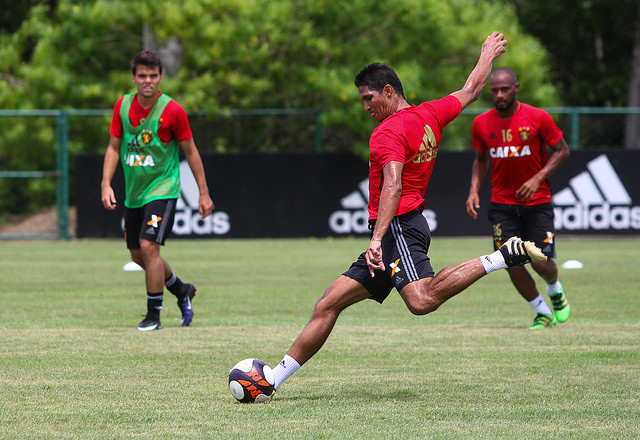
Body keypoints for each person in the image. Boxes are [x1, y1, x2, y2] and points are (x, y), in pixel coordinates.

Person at [269, 32, 544, 393]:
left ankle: (501, 257)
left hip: (397, 228)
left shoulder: (386, 133)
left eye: (368, 98)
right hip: (401, 227)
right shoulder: (430, 112)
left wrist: (378, 239)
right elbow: (472, 89)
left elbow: (393, 186)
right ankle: (272, 379)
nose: (365, 106)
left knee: (421, 299)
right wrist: (486, 54)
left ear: (388, 91)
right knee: (328, 303)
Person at [101, 50, 213, 331]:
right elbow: (114, 147)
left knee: (150, 247)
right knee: (138, 255)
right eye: (142, 76)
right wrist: (106, 183)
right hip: (134, 193)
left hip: (162, 189)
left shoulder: (172, 110)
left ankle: (153, 315)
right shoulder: (122, 107)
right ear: (134, 78)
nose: (147, 81)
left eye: (153, 75)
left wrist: (203, 192)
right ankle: (182, 290)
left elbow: (191, 152)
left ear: (161, 77)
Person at [465, 67, 571, 330]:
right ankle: (542, 312)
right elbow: (480, 160)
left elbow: (562, 150)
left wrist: (538, 177)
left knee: (541, 263)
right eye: (495, 90)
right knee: (508, 261)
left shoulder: (538, 117)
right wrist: (473, 189)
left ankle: (554, 289)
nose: (499, 95)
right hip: (503, 204)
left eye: (505, 89)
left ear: (516, 88)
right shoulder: (481, 123)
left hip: (538, 203)